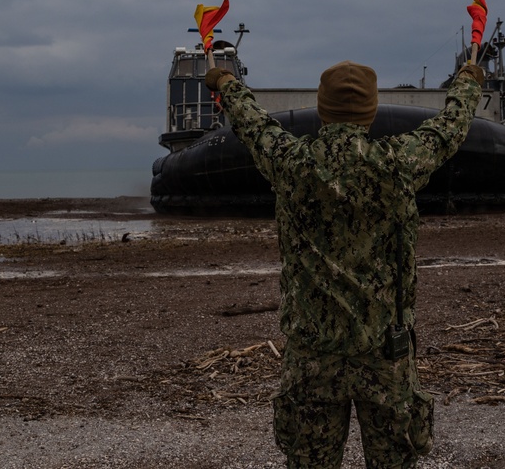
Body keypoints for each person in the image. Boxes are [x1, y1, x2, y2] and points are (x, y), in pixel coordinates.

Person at [205, 56, 484, 469]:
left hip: (312, 357)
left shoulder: (292, 163)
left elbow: (253, 123)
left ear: (322, 109)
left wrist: (226, 82)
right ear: (370, 111)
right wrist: (468, 80)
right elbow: (449, 129)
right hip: (386, 356)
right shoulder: (397, 163)